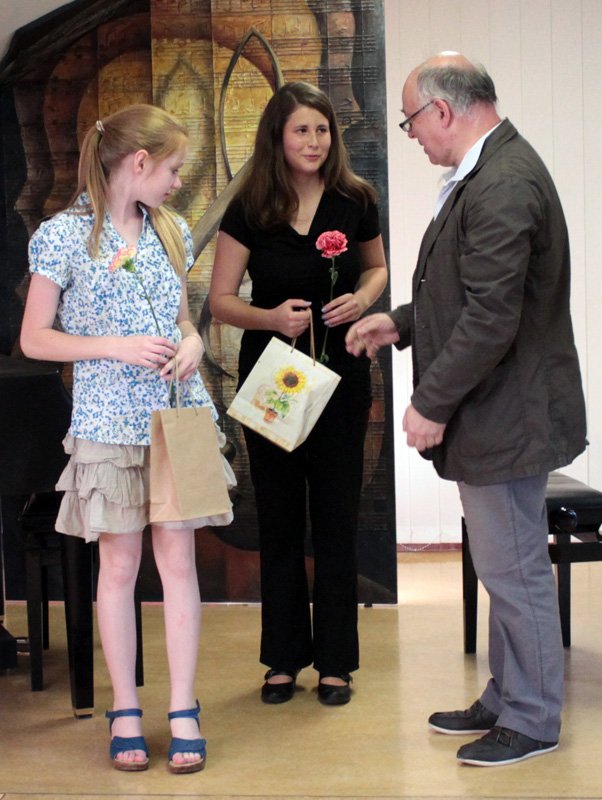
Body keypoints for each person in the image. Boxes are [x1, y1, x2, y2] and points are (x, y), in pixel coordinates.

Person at [346, 53, 587, 765]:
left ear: (443, 111)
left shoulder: (503, 182)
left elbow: (490, 318)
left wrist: (430, 402)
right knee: (503, 565)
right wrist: (400, 323)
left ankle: (532, 719)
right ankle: (507, 695)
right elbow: (462, 291)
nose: (413, 136)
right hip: (501, 409)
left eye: (411, 121)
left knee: (515, 572)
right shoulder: (489, 171)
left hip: (507, 415)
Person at [20, 104, 234, 773]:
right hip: (109, 424)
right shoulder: (63, 236)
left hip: (180, 416)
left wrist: (192, 343)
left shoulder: (169, 229)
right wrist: (113, 346)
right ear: (138, 163)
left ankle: (183, 707)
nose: (177, 181)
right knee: (118, 568)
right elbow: (34, 339)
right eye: (172, 169)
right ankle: (126, 709)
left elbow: (182, 319)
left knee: (179, 564)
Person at [209, 81, 387, 705]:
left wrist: (362, 299)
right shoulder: (251, 208)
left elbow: (376, 268)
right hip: (273, 381)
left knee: (336, 518)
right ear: (277, 138)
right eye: (301, 131)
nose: (314, 142)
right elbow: (220, 300)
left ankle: (336, 663)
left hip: (342, 377)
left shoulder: (355, 199)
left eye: (322, 130)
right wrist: (270, 318)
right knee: (280, 519)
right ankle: (282, 660)